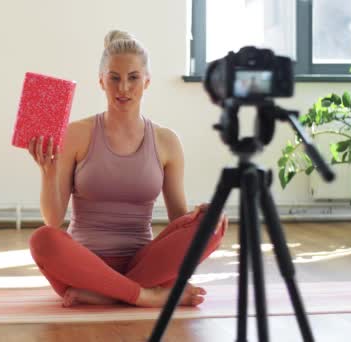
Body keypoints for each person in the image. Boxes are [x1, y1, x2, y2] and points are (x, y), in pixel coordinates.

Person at [27, 30, 227, 308]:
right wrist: (47, 172)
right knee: (43, 239)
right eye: (114, 78)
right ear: (101, 81)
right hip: (84, 265)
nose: (123, 88)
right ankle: (145, 295)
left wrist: (200, 217)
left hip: (144, 262)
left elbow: (177, 218)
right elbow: (53, 219)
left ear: (147, 82)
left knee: (213, 224)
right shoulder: (76, 133)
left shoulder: (167, 141)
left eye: (133, 78)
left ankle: (109, 293)